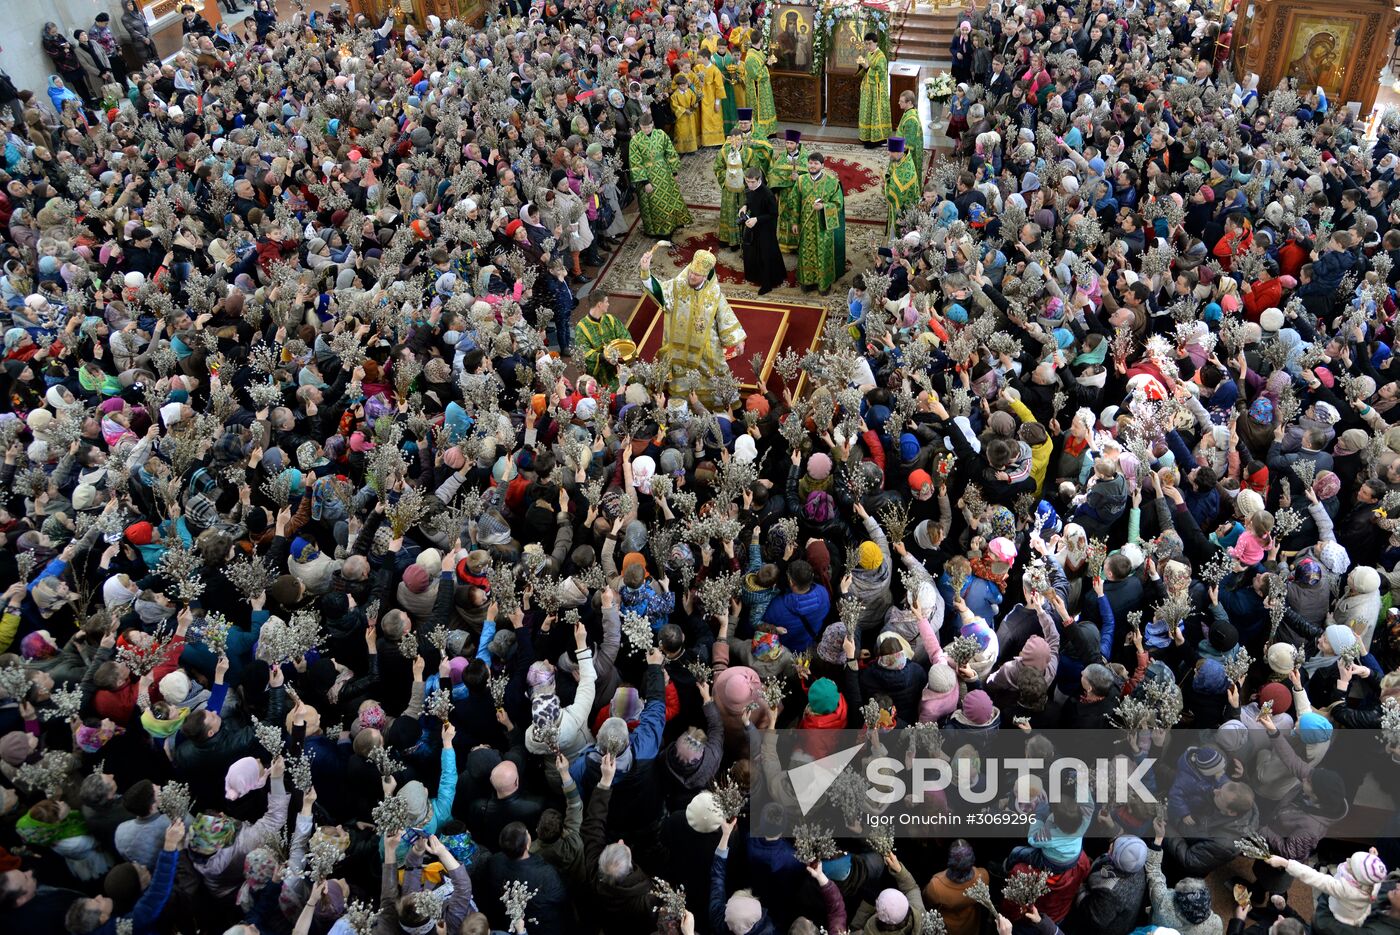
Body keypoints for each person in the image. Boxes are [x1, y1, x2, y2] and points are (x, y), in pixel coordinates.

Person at [639, 246, 745, 406]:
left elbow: (725, 315)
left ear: (705, 276)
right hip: (681, 347)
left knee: (716, 372)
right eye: (690, 272)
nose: (691, 276)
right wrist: (646, 272)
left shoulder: (714, 293)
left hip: (707, 346)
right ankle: (684, 406)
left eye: (696, 274)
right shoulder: (677, 286)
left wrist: (738, 340)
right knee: (682, 377)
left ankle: (719, 406)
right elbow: (659, 292)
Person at [629, 111, 692, 238]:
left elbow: (670, 152)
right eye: (643, 127)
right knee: (654, 204)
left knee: (670, 198)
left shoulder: (661, 134)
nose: (646, 129)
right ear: (639, 126)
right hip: (648, 177)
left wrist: (674, 171)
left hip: (664, 173)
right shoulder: (635, 141)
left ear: (652, 124)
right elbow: (635, 162)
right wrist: (645, 182)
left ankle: (675, 222)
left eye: (648, 126)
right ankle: (659, 230)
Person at [794, 152, 846, 293]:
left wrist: (824, 206)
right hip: (806, 224)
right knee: (806, 252)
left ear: (822, 166)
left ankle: (824, 283)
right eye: (810, 163)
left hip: (824, 227)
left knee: (823, 253)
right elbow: (794, 202)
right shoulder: (801, 180)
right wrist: (794, 222)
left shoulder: (832, 183)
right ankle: (807, 281)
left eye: (816, 163)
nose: (812, 166)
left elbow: (838, 204)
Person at [574, 292, 634, 388]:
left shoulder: (610, 319)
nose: (608, 304)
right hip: (599, 372)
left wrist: (620, 354)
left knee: (636, 382)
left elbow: (624, 335)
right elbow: (583, 351)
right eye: (606, 301)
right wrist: (603, 357)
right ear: (599, 304)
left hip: (618, 364)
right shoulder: (581, 328)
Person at [740, 167, 785, 294]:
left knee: (765, 255)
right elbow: (749, 200)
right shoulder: (749, 189)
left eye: (753, 182)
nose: (750, 184)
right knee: (751, 250)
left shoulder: (767, 194)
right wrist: (745, 206)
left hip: (766, 228)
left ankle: (767, 284)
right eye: (747, 181)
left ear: (759, 180)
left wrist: (757, 220)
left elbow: (773, 214)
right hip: (753, 225)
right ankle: (755, 276)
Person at [769, 129, 806, 254]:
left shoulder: (805, 158)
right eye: (787, 143)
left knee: (798, 217)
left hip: (799, 195)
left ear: (797, 143)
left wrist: (799, 178)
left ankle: (797, 244)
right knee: (784, 216)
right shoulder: (780, 158)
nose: (789, 146)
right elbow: (773, 174)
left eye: (791, 143)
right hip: (784, 194)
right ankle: (785, 243)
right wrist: (776, 191)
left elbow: (809, 176)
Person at [741, 31, 778, 139]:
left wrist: (767, 61)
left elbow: (762, 64)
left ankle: (770, 131)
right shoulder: (750, 57)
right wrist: (767, 64)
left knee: (767, 108)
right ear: (761, 40)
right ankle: (761, 131)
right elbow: (757, 74)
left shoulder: (758, 51)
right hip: (757, 89)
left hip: (764, 87)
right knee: (760, 110)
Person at [857, 32, 892, 146]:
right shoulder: (869, 54)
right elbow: (866, 69)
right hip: (868, 89)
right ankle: (867, 137)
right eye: (866, 44)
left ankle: (877, 139)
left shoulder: (881, 57)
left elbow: (879, 75)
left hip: (877, 91)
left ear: (876, 43)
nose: (868, 46)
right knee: (867, 113)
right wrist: (861, 64)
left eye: (870, 44)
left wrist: (867, 68)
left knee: (875, 114)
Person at [883, 137, 921, 236]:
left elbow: (892, 194)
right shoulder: (902, 158)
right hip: (900, 205)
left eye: (892, 152)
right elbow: (891, 170)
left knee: (898, 233)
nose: (889, 154)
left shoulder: (905, 173)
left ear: (900, 152)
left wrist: (886, 185)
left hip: (904, 208)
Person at [895, 89, 925, 176]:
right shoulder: (910, 111)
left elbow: (909, 144)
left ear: (909, 102)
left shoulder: (911, 120)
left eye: (901, 101)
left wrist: (897, 155)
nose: (898, 103)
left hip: (908, 154)